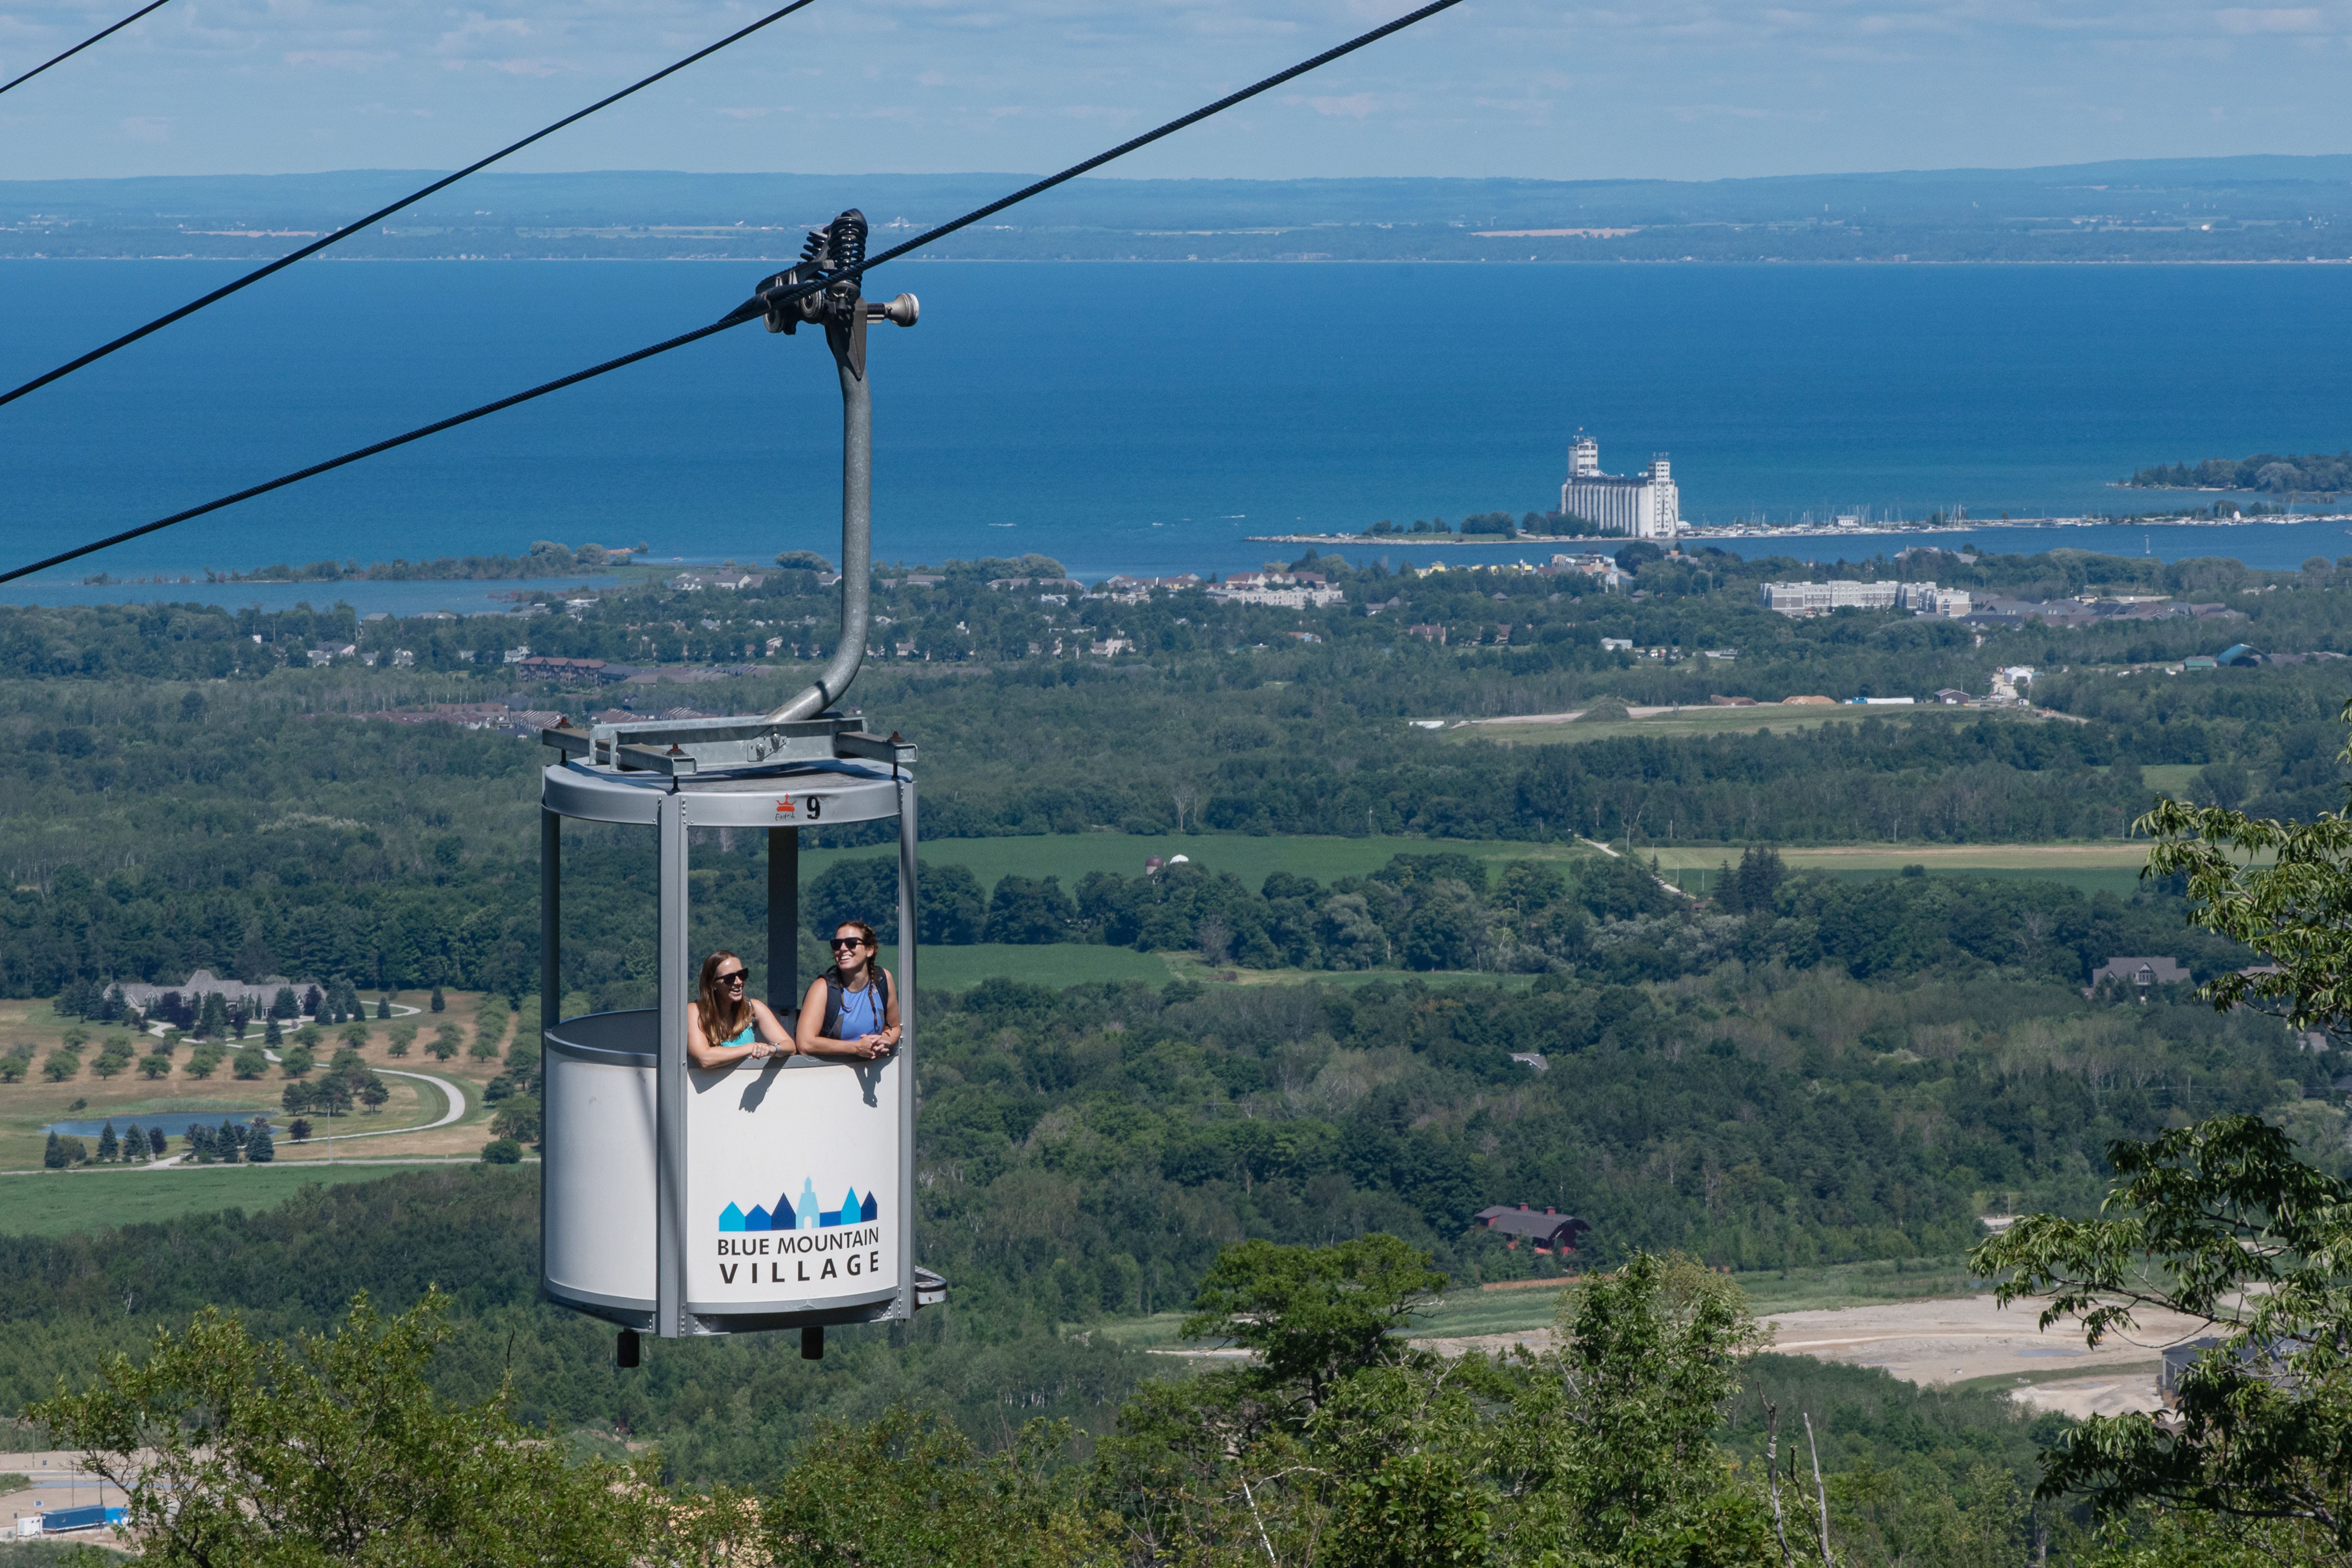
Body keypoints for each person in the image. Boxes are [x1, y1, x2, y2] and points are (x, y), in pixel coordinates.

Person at [794, 921, 898, 1061]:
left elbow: (894, 1028)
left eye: (851, 943)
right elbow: (805, 1043)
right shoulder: (823, 988)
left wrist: (879, 1043)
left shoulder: (883, 980)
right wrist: (857, 1048)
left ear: (869, 950)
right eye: (837, 945)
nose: (842, 949)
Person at [686, 950, 792, 1070]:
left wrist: (773, 1049)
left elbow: (789, 1045)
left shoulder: (753, 1008)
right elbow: (704, 1058)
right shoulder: (694, 1011)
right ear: (712, 984)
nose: (739, 982)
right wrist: (751, 1048)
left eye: (742, 975)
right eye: (730, 978)